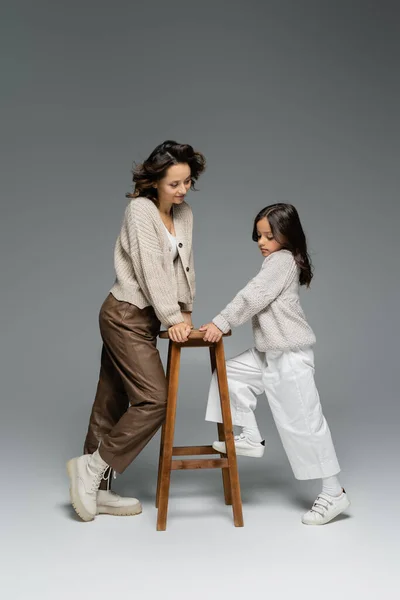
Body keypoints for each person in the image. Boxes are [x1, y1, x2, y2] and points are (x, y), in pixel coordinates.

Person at [67, 140, 206, 521]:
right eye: (174, 184)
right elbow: (150, 271)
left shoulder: (185, 214)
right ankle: (92, 469)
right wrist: (173, 319)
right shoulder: (139, 211)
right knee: (154, 400)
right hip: (125, 313)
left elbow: (184, 267)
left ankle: (99, 489)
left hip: (145, 318)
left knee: (110, 401)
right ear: (155, 180)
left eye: (187, 182)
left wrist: (187, 311)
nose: (182, 191)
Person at [199, 203, 350, 525]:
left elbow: (252, 296)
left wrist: (220, 322)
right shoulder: (280, 261)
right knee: (228, 376)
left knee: (305, 426)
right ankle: (251, 437)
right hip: (269, 353)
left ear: (287, 235)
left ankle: (334, 493)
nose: (262, 242)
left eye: (270, 235)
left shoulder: (281, 261)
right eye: (259, 235)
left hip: (290, 355)